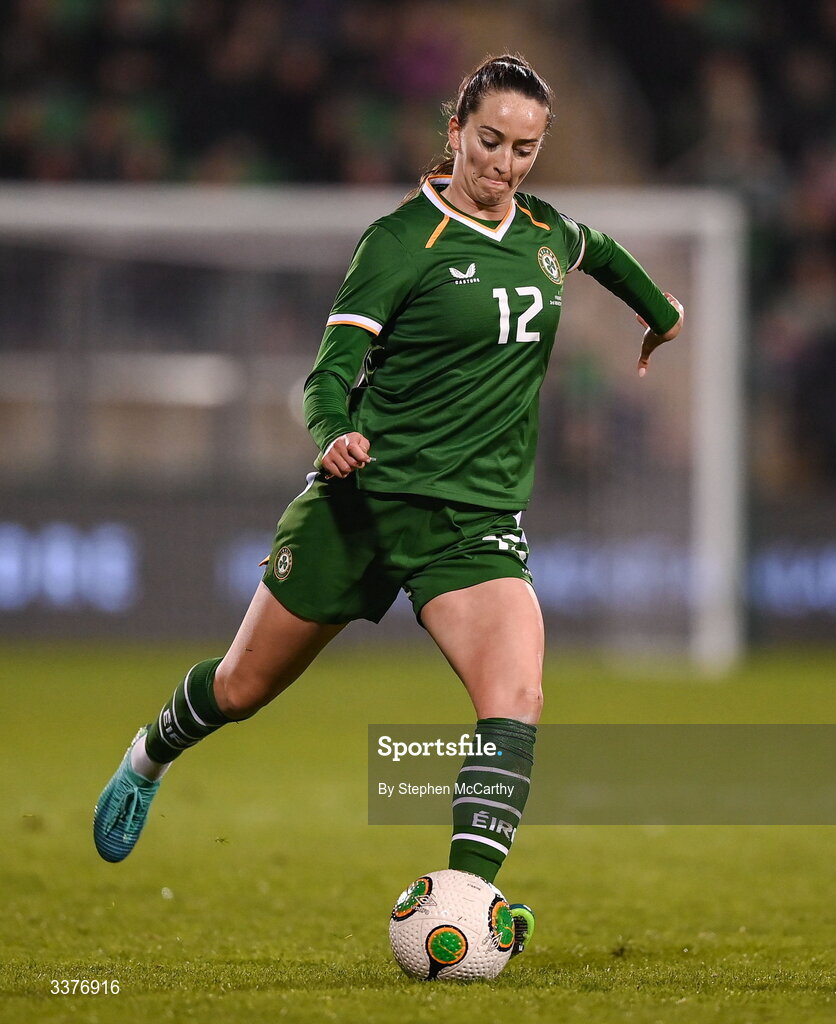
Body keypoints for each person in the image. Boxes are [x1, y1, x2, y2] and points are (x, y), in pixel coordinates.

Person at [93, 53, 684, 958]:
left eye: (526, 149)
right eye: (491, 141)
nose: (506, 164)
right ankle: (148, 757)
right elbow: (326, 377)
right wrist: (332, 432)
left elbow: (597, 251)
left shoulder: (544, 232)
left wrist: (660, 313)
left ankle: (464, 904)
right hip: (361, 505)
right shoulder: (402, 242)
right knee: (241, 687)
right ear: (454, 130)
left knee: (514, 697)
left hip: (473, 525)